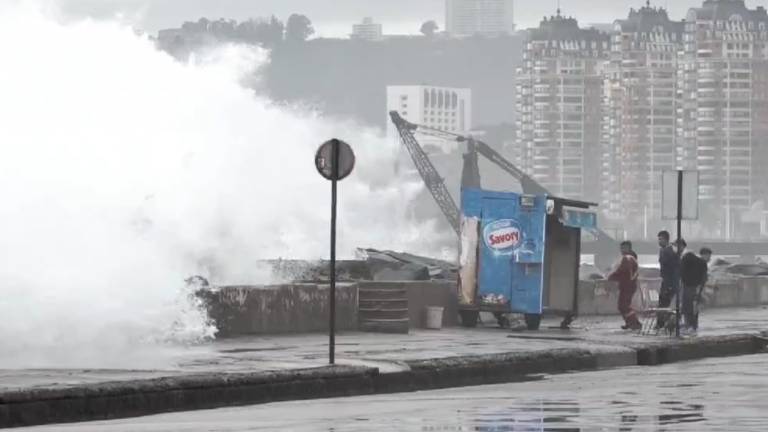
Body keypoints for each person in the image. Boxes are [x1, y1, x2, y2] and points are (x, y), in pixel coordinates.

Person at [608, 240, 642, 330]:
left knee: (624, 306)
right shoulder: (632, 258)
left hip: (627, 286)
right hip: (629, 285)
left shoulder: (627, 258)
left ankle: (635, 322)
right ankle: (629, 322)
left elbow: (621, 271)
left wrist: (611, 277)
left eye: (622, 248)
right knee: (622, 305)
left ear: (627, 248)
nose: (621, 250)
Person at [680, 247, 712, 333]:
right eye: (709, 256)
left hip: (689, 287)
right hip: (694, 289)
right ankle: (692, 326)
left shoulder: (693, 261)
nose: (710, 258)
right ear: (704, 255)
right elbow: (703, 279)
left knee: (689, 307)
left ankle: (690, 325)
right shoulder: (701, 263)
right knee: (692, 308)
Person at [656, 230, 680, 329]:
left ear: (666, 240)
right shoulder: (663, 251)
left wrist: (671, 283)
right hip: (665, 280)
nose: (659, 241)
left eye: (660, 239)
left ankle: (662, 323)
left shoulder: (670, 252)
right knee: (662, 302)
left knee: (664, 302)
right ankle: (662, 322)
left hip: (669, 282)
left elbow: (673, 268)